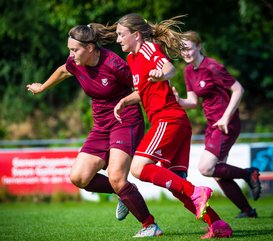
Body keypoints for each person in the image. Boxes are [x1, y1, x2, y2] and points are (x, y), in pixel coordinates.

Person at [26, 24, 161, 237]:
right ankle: (124, 193)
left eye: (75, 50)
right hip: (101, 126)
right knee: (79, 177)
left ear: (90, 48)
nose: (71, 55)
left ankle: (150, 225)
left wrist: (125, 102)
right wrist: (42, 87)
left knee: (116, 177)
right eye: (69, 50)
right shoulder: (75, 63)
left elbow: (142, 89)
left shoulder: (114, 64)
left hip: (125, 120)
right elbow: (63, 70)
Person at [112, 13, 232, 239]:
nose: (118, 39)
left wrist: (162, 73)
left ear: (136, 35)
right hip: (174, 122)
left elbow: (169, 68)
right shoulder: (132, 59)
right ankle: (218, 224)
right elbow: (145, 90)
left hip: (168, 119)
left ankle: (197, 191)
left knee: (138, 168)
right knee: (175, 184)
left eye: (121, 34)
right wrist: (125, 101)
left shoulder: (147, 48)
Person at [172, 30, 261, 218]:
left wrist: (226, 117)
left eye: (188, 48)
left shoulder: (212, 67)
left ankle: (248, 174)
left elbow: (238, 89)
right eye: (182, 50)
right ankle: (247, 210)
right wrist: (179, 100)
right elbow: (193, 102)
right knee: (219, 173)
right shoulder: (189, 71)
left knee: (206, 168)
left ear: (198, 46)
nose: (185, 53)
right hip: (213, 125)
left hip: (226, 124)